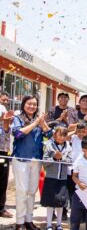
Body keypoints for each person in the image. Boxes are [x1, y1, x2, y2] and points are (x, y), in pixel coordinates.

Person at [11, 95, 51, 230]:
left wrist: (42, 123)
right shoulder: (17, 118)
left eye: (34, 104)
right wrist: (35, 124)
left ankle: (29, 220)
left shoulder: (39, 120)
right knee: (22, 191)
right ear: (23, 104)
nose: (32, 107)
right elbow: (18, 134)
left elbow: (49, 136)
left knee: (32, 191)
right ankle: (19, 222)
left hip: (36, 159)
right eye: (29, 104)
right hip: (21, 158)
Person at [41, 126, 72, 230]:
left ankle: (59, 224)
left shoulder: (68, 146)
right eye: (60, 135)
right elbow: (44, 163)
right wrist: (54, 158)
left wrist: (62, 158)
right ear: (54, 135)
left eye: (64, 135)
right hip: (51, 178)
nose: (62, 137)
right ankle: (49, 224)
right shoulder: (49, 145)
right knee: (50, 202)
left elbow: (70, 161)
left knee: (60, 202)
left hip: (62, 179)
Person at [0, 91, 13, 219]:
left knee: (3, 180)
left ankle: (1, 208)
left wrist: (7, 122)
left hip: (4, 150)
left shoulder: (6, 113)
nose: (5, 102)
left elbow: (7, 129)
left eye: (6, 101)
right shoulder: (2, 110)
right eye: (3, 100)